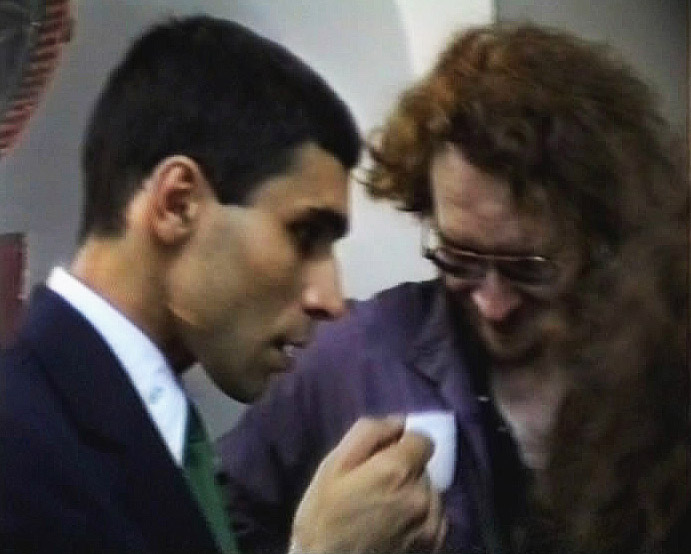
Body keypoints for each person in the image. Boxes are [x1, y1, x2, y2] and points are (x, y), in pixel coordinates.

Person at [219, 23, 690, 554]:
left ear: (595, 233)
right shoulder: (351, 357)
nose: (492, 303)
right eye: (460, 259)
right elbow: (212, 519)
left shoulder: (657, 367)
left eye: (529, 269)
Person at [0, 16, 446, 554]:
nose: (330, 300)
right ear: (177, 204)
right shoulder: (18, 443)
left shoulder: (155, 431)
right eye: (303, 235)